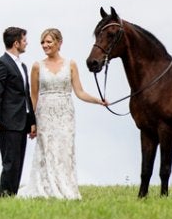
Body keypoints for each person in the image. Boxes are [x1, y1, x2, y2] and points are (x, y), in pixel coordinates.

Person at [19, 28, 106, 199]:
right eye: (43, 42)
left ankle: (66, 186)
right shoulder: (37, 66)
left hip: (65, 114)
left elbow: (80, 92)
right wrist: (32, 122)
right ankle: (46, 186)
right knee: (47, 150)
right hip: (45, 115)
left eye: (49, 42)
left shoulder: (71, 64)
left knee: (64, 151)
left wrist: (98, 101)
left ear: (59, 43)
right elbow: (33, 97)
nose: (45, 45)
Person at [0, 26, 37, 197]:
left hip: (22, 122)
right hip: (8, 123)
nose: (26, 43)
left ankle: (12, 196)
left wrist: (32, 122)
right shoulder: (1, 64)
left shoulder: (22, 66)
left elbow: (26, 96)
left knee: (18, 162)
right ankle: (5, 197)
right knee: (10, 163)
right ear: (16, 43)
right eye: (24, 40)